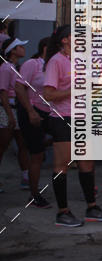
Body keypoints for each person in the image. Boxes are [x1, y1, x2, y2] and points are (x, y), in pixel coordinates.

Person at [43, 26, 102, 227]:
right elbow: (48, 95)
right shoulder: (56, 61)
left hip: (85, 117)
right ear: (65, 40)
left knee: (87, 164)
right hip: (63, 118)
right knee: (61, 165)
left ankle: (92, 207)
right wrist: (76, 89)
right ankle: (63, 212)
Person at [15, 37, 52, 208]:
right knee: (36, 154)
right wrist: (30, 111)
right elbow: (19, 87)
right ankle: (34, 193)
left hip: (50, 113)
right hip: (32, 112)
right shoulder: (33, 64)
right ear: (46, 48)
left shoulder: (55, 65)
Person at [0, 37, 31, 193]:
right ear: (12, 50)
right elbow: (3, 93)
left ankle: (26, 177)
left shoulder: (15, 67)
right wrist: (9, 115)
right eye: (19, 46)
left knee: (22, 144)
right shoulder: (6, 68)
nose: (23, 49)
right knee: (2, 146)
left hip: (16, 109)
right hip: (8, 110)